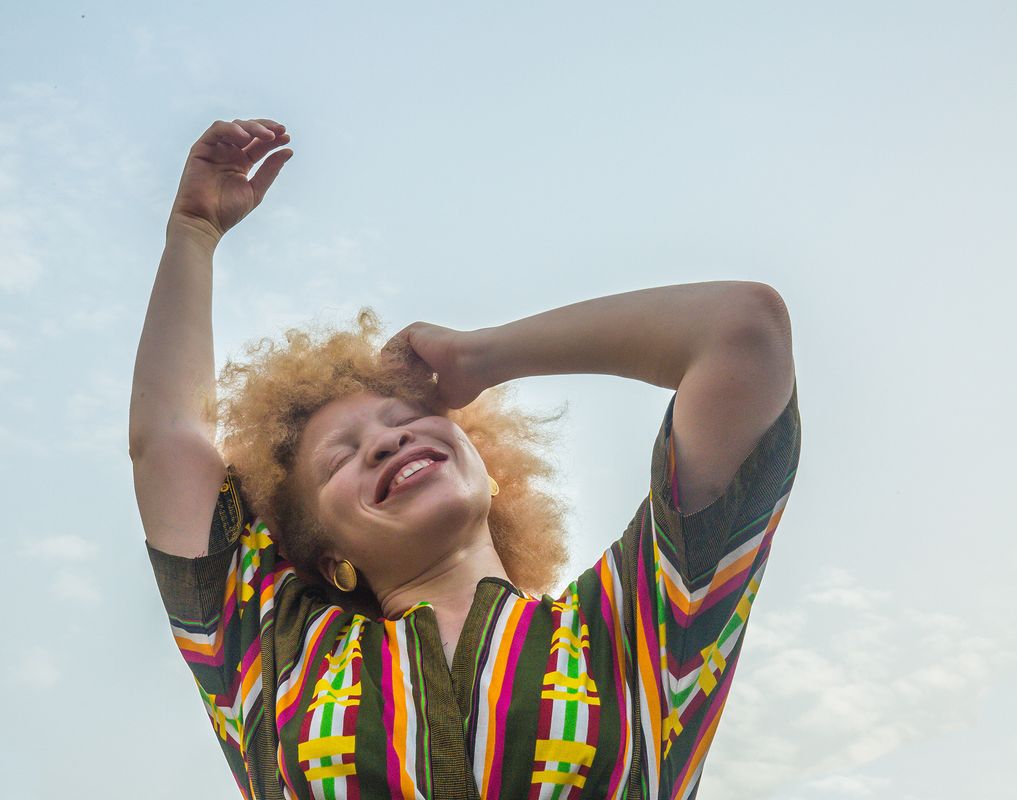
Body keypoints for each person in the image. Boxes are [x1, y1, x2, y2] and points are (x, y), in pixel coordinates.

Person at [131, 118, 801, 800]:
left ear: (492, 472)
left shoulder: (635, 625)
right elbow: (169, 445)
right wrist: (193, 234)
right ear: (327, 555)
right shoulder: (279, 656)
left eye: (407, 420)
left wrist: (483, 356)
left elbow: (741, 332)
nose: (386, 442)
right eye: (340, 459)